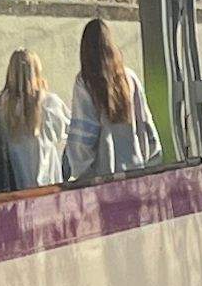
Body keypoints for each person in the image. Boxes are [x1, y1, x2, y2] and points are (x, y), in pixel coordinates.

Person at [66, 17, 160, 182]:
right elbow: (145, 123)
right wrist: (149, 159)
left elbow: (84, 134)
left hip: (103, 178)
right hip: (134, 171)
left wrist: (81, 170)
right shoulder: (129, 78)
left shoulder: (85, 82)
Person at [0, 47, 58, 193]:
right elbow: (68, 132)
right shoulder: (49, 103)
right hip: (46, 187)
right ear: (36, 71)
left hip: (12, 186)